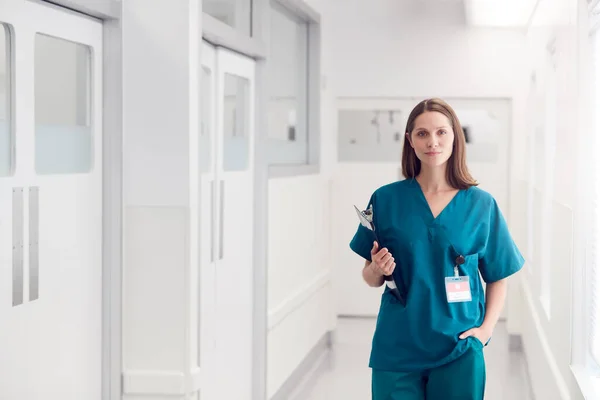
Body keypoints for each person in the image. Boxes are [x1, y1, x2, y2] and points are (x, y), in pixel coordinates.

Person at [349, 98, 524, 400]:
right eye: (422, 134)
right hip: (398, 347)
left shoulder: (482, 205)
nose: (433, 141)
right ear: (410, 141)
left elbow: (498, 275)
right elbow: (369, 276)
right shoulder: (385, 200)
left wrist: (484, 332)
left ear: (455, 137)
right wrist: (376, 269)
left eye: (442, 132)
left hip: (458, 347)